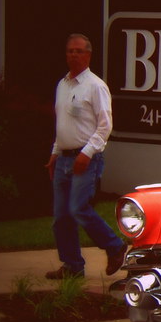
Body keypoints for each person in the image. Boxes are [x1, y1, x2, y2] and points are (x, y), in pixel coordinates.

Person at [45, 33, 128, 280]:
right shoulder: (63, 85)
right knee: (61, 216)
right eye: (70, 50)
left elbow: (105, 126)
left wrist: (87, 153)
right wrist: (55, 154)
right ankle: (72, 265)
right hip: (64, 159)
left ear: (88, 55)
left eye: (78, 51)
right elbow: (63, 124)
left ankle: (115, 247)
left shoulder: (95, 86)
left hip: (86, 159)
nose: (73, 55)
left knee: (79, 208)